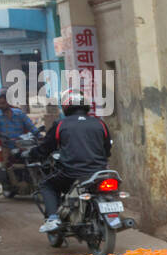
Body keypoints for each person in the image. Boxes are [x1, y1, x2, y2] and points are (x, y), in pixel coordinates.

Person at [32, 94, 111, 232]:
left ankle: (52, 218)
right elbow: (107, 149)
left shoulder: (61, 124)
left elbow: (46, 148)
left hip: (71, 173)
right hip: (98, 173)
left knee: (47, 185)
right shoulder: (100, 123)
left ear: (66, 108)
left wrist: (33, 154)